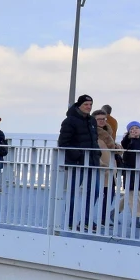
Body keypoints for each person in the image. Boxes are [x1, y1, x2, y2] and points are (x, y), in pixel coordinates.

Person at [58, 95, 99, 229]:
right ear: (79, 105)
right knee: (73, 192)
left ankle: (86, 220)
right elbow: (63, 143)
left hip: (92, 162)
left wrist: (97, 153)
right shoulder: (69, 121)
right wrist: (78, 155)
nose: (89, 107)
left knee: (95, 191)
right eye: (86, 104)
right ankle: (70, 221)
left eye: (90, 104)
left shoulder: (92, 121)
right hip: (77, 163)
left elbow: (94, 140)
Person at [119, 122, 140, 228]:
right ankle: (136, 219)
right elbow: (124, 144)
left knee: (133, 195)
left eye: (137, 128)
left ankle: (114, 212)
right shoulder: (128, 142)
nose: (134, 130)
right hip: (130, 173)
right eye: (131, 128)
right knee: (135, 196)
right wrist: (129, 137)